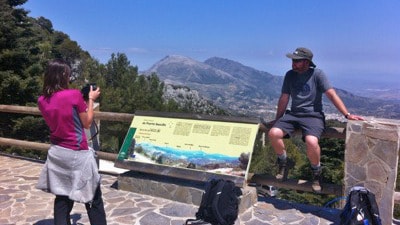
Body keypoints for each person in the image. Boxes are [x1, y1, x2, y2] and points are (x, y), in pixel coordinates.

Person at [267, 47, 364, 193]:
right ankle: (283, 162)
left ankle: (316, 172)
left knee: (312, 142)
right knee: (273, 133)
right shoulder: (289, 75)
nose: (293, 63)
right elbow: (284, 98)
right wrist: (277, 119)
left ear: (306, 62)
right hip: (293, 114)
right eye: (293, 60)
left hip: (313, 116)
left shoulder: (318, 74)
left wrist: (347, 114)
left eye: (297, 61)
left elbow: (331, 94)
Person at [36, 59, 107, 225]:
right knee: (93, 198)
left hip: (58, 153)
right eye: (68, 74)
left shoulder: (41, 100)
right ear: (62, 75)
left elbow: (63, 114)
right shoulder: (74, 95)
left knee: (63, 197)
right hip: (77, 153)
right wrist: (90, 99)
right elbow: (87, 123)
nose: (70, 77)